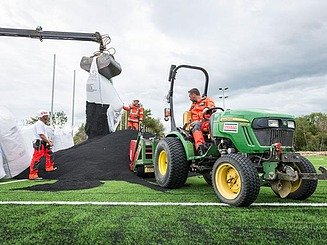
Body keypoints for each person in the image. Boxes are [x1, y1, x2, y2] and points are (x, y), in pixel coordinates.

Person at [28, 110, 57, 180]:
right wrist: (49, 142)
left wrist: (48, 141)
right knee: (37, 158)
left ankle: (49, 167)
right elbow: (41, 135)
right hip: (39, 143)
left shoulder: (42, 124)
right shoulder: (39, 124)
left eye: (46, 115)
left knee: (49, 153)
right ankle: (33, 174)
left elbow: (44, 135)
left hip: (43, 142)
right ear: (42, 117)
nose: (46, 117)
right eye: (45, 116)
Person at [188, 88, 215, 155]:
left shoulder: (207, 100)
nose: (189, 98)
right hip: (196, 124)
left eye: (190, 96)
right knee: (196, 124)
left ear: (194, 95)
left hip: (206, 122)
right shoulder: (193, 106)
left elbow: (212, 106)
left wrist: (207, 108)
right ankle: (200, 147)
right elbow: (188, 115)